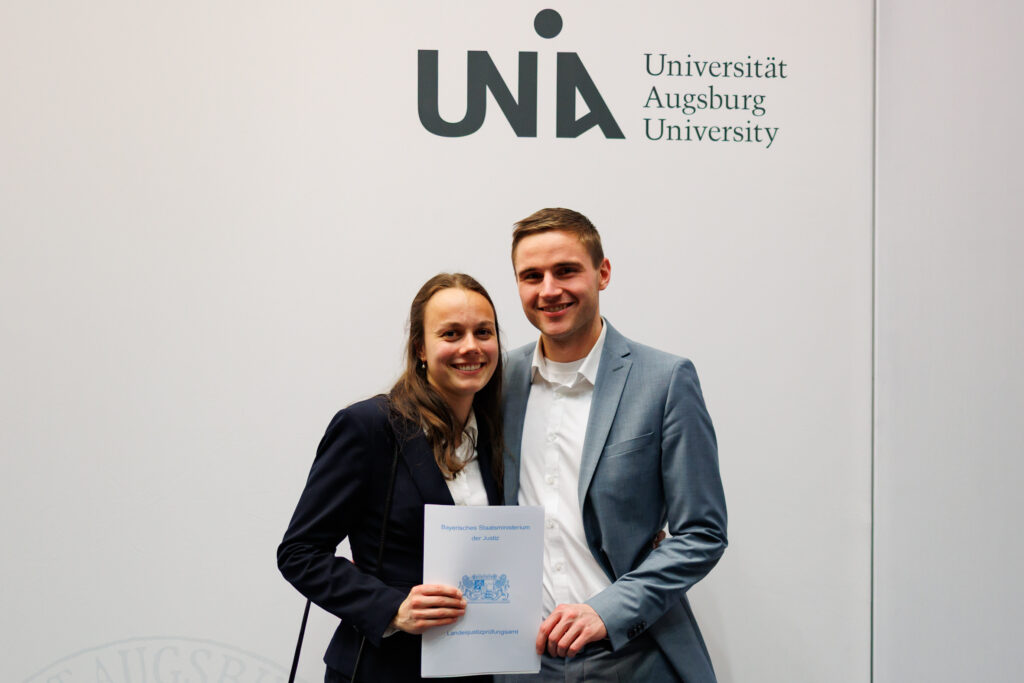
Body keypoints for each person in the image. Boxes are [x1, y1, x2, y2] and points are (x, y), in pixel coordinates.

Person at [499, 209, 728, 682]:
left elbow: (702, 532)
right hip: (519, 661)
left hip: (631, 656)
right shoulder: (495, 383)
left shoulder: (665, 380)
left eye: (566, 271)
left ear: (602, 273)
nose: (549, 290)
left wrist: (607, 610)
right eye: (532, 276)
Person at [278, 273, 504, 682]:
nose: (471, 346)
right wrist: (393, 609)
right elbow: (299, 553)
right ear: (420, 348)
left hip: (479, 670)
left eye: (483, 332)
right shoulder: (369, 426)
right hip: (384, 670)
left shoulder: (498, 433)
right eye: (451, 333)